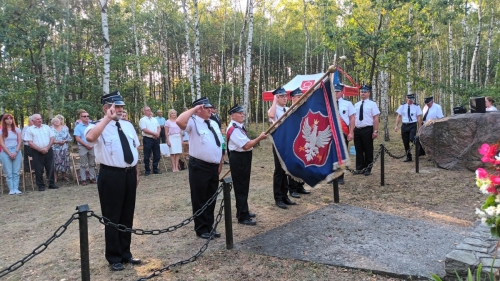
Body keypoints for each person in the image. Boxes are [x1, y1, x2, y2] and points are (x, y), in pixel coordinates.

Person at [85, 91, 141, 272]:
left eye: (121, 106)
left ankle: (126, 253)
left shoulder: (127, 126)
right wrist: (106, 120)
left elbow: (134, 150)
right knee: (112, 217)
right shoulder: (96, 126)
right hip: (111, 176)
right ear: (106, 107)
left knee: (127, 215)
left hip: (129, 174)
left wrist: (136, 172)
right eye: (116, 106)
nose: (120, 109)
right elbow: (90, 139)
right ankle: (114, 257)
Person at [176, 97, 223, 239]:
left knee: (211, 197)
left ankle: (210, 226)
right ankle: (202, 229)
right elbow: (179, 121)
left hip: (213, 166)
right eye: (207, 107)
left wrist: (220, 162)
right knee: (200, 198)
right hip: (200, 166)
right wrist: (194, 110)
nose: (210, 109)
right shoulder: (192, 122)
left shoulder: (213, 123)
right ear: (199, 109)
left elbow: (219, 143)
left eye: (210, 107)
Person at [226, 104, 267, 226]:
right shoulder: (233, 129)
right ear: (233, 116)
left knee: (244, 185)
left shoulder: (238, 127)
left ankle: (243, 211)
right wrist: (259, 138)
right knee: (241, 187)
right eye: (239, 113)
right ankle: (242, 217)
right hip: (239, 158)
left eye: (242, 113)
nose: (242, 114)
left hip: (243, 157)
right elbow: (246, 145)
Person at [268, 86, 296, 209]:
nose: (285, 98)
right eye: (282, 96)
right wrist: (274, 101)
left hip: (288, 142)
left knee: (286, 170)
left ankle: (285, 196)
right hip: (279, 142)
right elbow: (271, 115)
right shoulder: (274, 109)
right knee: (279, 170)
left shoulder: (287, 109)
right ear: (277, 97)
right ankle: (278, 198)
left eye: (286, 96)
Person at [287, 87, 312, 197]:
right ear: (292, 98)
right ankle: (292, 188)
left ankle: (300, 185)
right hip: (292, 140)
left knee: (302, 163)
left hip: (303, 139)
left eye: (301, 96)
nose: (301, 98)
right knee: (293, 165)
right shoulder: (288, 110)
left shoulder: (304, 109)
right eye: (298, 96)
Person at [24, 114, 58, 191]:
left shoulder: (46, 127)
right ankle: (40, 186)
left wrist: (47, 148)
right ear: (33, 121)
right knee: (38, 169)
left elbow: (52, 138)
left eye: (40, 118)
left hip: (48, 150)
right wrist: (40, 149)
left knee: (50, 167)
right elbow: (30, 143)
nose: (40, 120)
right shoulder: (29, 130)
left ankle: (51, 184)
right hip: (36, 151)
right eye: (37, 119)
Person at [354, 85, 380, 176]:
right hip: (357, 129)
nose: (363, 93)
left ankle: (368, 168)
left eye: (365, 92)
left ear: (369, 93)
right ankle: (359, 168)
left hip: (367, 129)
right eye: (361, 92)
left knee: (368, 150)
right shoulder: (356, 104)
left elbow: (376, 118)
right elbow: (354, 118)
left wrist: (375, 130)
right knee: (358, 149)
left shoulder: (372, 104)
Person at [335, 84, 355, 184]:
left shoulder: (347, 103)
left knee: (342, 155)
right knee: (333, 155)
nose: (335, 93)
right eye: (334, 91)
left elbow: (352, 118)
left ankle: (341, 176)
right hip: (332, 133)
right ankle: (333, 176)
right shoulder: (328, 102)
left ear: (342, 92)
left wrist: (351, 132)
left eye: (337, 91)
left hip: (343, 132)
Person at [395, 93, 422, 162]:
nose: (411, 101)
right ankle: (408, 157)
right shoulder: (402, 106)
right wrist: (396, 126)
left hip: (412, 124)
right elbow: (399, 116)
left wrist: (419, 127)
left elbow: (418, 118)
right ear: (407, 98)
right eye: (410, 100)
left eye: (412, 100)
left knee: (412, 138)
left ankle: (420, 148)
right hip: (404, 125)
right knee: (405, 142)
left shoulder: (416, 106)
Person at [0, 114, 23, 194]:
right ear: (4, 120)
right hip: (6, 151)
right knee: (8, 172)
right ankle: (11, 189)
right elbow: (2, 144)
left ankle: (16, 188)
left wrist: (16, 152)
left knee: (16, 171)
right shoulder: (1, 131)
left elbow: (20, 141)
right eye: (7, 119)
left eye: (10, 118)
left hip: (16, 150)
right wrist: (9, 153)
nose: (9, 120)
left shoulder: (17, 130)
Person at [74, 111, 97, 185]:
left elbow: (96, 136)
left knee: (92, 163)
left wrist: (92, 144)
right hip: (83, 146)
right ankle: (83, 179)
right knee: (83, 164)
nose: (86, 117)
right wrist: (86, 145)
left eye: (88, 116)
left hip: (92, 146)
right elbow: (78, 138)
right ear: (80, 117)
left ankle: (92, 178)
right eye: (84, 116)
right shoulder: (78, 127)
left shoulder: (92, 126)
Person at [139, 106, 161, 175]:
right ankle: (147, 170)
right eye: (147, 110)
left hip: (156, 139)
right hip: (148, 139)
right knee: (147, 155)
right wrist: (154, 133)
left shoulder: (154, 119)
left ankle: (155, 169)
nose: (149, 111)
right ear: (144, 111)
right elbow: (144, 129)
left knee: (157, 154)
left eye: (150, 110)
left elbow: (159, 127)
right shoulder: (142, 120)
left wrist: (157, 134)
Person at [51, 117, 72, 183]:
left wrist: (65, 141)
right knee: (55, 163)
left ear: (60, 122)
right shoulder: (50, 129)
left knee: (65, 162)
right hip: (54, 149)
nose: (57, 122)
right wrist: (57, 142)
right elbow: (49, 139)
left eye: (58, 121)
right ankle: (55, 177)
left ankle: (64, 176)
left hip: (64, 148)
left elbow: (69, 138)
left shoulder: (65, 129)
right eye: (55, 121)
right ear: (52, 123)